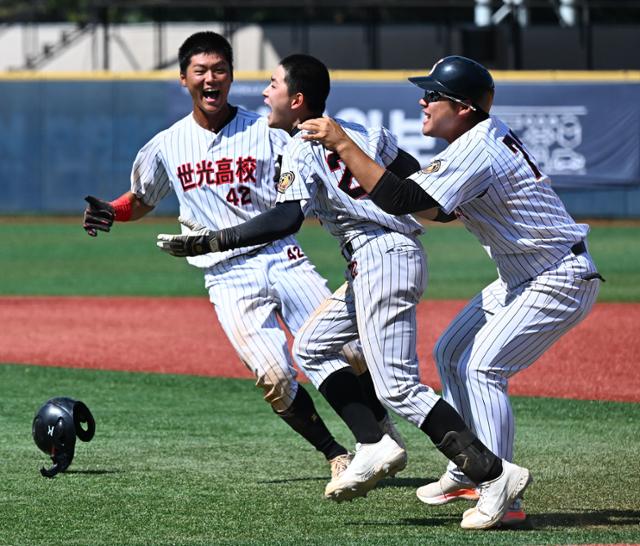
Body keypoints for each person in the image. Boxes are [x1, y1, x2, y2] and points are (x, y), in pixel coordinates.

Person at [156, 53, 532, 530]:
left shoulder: (298, 145)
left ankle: (494, 473)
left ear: (297, 100)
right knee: (312, 346)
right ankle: (374, 443)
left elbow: (285, 219)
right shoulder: (357, 127)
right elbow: (408, 169)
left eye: (273, 85)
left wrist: (211, 240)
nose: (264, 93)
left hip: (381, 257)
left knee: (397, 385)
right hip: (377, 258)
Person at [81, 31, 408, 495]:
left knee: (352, 350)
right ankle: (337, 455)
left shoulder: (268, 129)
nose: (211, 78)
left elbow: (311, 169)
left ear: (231, 77)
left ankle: (378, 430)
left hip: (282, 255)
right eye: (201, 71)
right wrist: (112, 211)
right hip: (226, 275)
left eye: (220, 70)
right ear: (184, 79)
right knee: (274, 377)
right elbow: (142, 198)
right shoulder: (167, 144)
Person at [296, 55, 604, 525]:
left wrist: (342, 142)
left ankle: (500, 489)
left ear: (461, 107)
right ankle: (467, 465)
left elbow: (401, 200)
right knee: (450, 352)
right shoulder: (472, 140)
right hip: (525, 274)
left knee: (482, 367)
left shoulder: (476, 147)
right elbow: (435, 211)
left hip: (558, 277)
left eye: (433, 94)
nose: (423, 100)